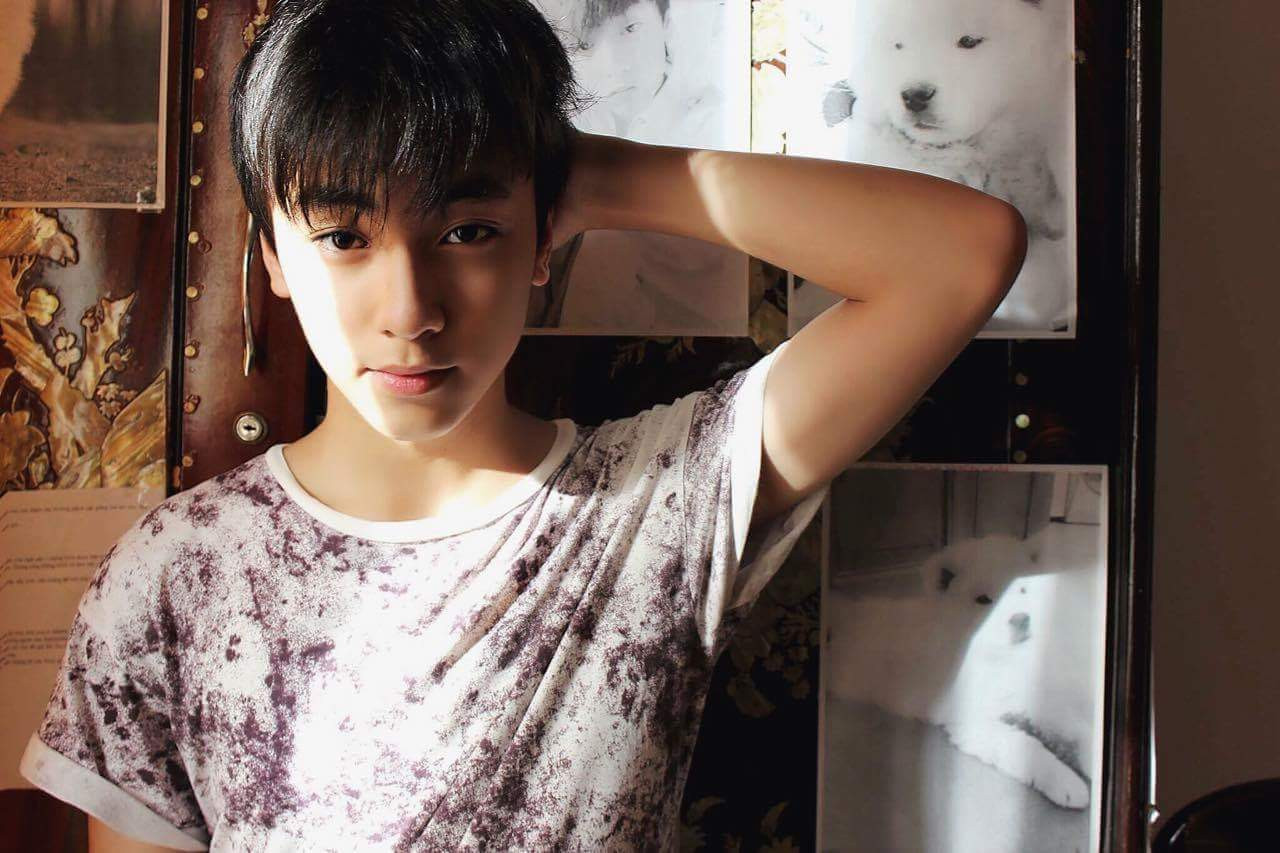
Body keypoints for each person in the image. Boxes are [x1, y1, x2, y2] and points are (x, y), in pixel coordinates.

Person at [17, 0, 1027, 849]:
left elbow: (962, 255)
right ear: (272, 258)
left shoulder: (655, 502)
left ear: (543, 238)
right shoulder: (174, 574)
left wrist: (581, 172)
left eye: (466, 230)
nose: (410, 310)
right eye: (343, 238)